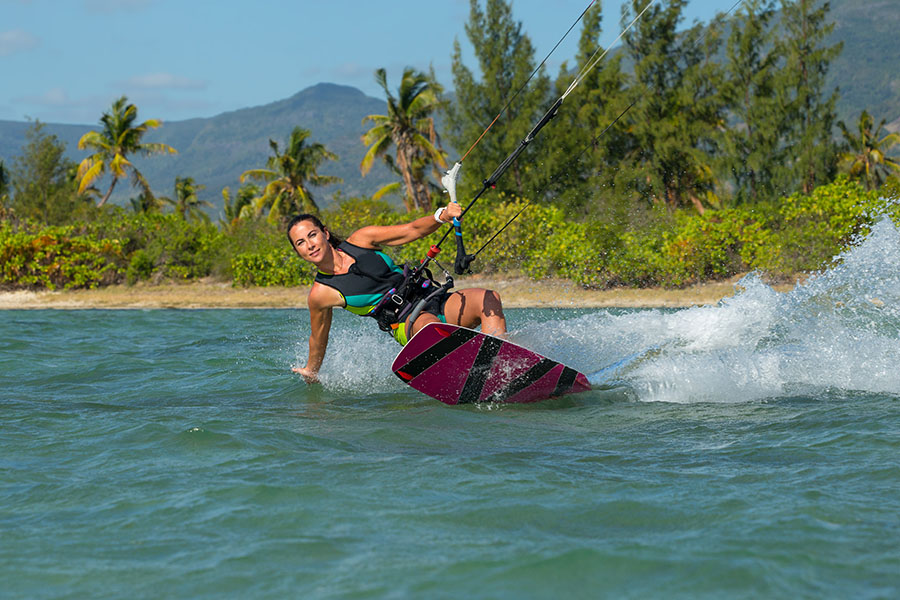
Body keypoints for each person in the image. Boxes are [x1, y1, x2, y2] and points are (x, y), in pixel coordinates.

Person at [287, 203, 506, 383]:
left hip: (432, 298)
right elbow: (318, 337)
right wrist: (311, 370)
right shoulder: (321, 294)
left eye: (312, 235)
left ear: (325, 233)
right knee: (433, 329)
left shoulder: (362, 239)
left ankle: (501, 367)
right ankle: (475, 378)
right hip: (405, 323)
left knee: (488, 298)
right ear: (298, 252)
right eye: (301, 243)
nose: (310, 245)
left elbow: (413, 230)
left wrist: (442, 215)